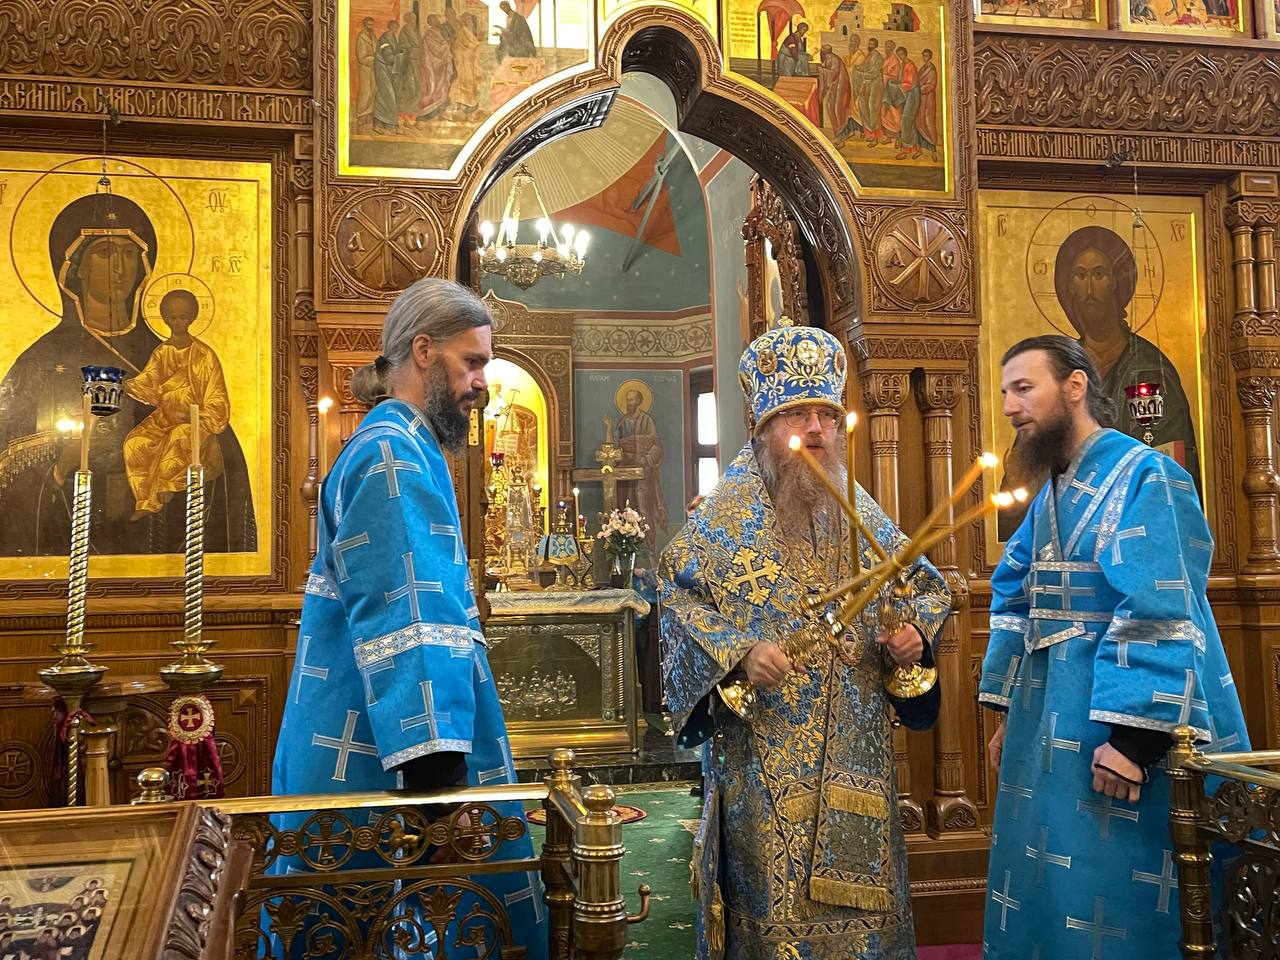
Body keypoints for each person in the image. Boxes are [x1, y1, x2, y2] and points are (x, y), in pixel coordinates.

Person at [272, 278, 547, 959]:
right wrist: (439, 795)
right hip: (381, 760)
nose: (482, 384)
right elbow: (412, 627)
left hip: (359, 734)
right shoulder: (392, 454)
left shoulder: (393, 443)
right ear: (423, 351)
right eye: (472, 362)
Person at [659, 322, 951, 959]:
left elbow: (923, 586)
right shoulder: (721, 520)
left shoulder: (854, 507)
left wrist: (911, 638)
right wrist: (739, 653)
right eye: (797, 415)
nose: (816, 430)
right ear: (763, 425)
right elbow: (678, 602)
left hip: (858, 749)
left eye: (827, 415)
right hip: (765, 761)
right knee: (776, 917)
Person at [978, 335, 1248, 959]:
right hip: (1047, 720)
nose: (1011, 406)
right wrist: (1009, 711)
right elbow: (1015, 597)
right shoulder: (1052, 491)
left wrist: (1132, 742)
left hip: (1115, 726)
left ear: (1075, 386)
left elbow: (1159, 604)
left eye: (1025, 388)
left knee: (1115, 889)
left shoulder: (1146, 475)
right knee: (1049, 884)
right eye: (1006, 392)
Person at [1054, 225, 1200, 496]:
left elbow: (1174, 462)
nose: (1089, 288)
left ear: (1115, 281)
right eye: (1080, 275)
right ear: (1069, 286)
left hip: (1138, 507)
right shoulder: (1061, 370)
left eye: (1099, 274)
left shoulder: (1151, 367)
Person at [122, 289, 231, 518]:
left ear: (192, 318)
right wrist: (129, 385)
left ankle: (166, 486)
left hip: (196, 421)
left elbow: (217, 395)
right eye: (173, 317)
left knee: (179, 436)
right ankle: (145, 501)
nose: (178, 322)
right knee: (134, 443)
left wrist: (198, 415)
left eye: (183, 317)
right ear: (165, 318)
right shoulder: (161, 352)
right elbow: (149, 383)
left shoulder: (204, 355)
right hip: (163, 419)